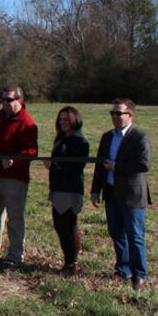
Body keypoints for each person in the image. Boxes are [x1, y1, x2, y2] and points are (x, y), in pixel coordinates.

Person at [91, 98, 152, 290]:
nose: (114, 117)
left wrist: (117, 167)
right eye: (112, 113)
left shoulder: (139, 137)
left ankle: (139, 275)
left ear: (130, 115)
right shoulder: (107, 137)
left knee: (135, 236)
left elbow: (144, 164)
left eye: (119, 113)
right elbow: (100, 165)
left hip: (132, 195)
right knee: (116, 233)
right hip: (111, 192)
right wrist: (95, 190)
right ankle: (123, 269)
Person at [0, 86, 38, 265]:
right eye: (3, 99)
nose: (5, 103)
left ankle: (15, 255)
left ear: (20, 101)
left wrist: (15, 161)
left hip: (14, 177)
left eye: (9, 100)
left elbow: (32, 151)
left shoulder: (26, 122)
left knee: (14, 217)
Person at [44, 106, 89, 274]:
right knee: (60, 225)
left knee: (68, 225)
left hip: (70, 189)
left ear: (75, 120)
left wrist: (54, 166)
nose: (63, 123)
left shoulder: (80, 141)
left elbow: (77, 166)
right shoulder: (62, 138)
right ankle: (68, 262)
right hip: (58, 188)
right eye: (61, 119)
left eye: (66, 119)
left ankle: (71, 264)